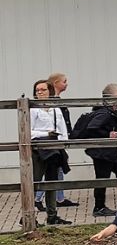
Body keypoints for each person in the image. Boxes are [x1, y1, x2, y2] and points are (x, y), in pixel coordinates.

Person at [75, 83, 117, 217]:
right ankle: (99, 207)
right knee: (103, 178)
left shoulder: (111, 112)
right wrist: (107, 135)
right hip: (102, 152)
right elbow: (92, 127)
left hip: (108, 152)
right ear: (111, 97)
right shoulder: (105, 113)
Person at [29, 79, 69, 225]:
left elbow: (62, 130)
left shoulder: (55, 109)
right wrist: (46, 133)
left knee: (52, 182)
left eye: (43, 90)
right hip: (38, 150)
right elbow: (28, 131)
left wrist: (63, 146)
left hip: (54, 150)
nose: (40, 92)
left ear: (50, 91)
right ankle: (28, 216)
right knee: (35, 182)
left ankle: (52, 215)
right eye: (37, 90)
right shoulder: (33, 110)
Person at [43, 72, 78, 208]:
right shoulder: (51, 101)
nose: (66, 84)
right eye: (64, 81)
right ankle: (39, 198)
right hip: (54, 138)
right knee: (53, 168)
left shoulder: (58, 100)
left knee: (59, 168)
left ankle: (59, 197)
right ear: (56, 83)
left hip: (60, 136)